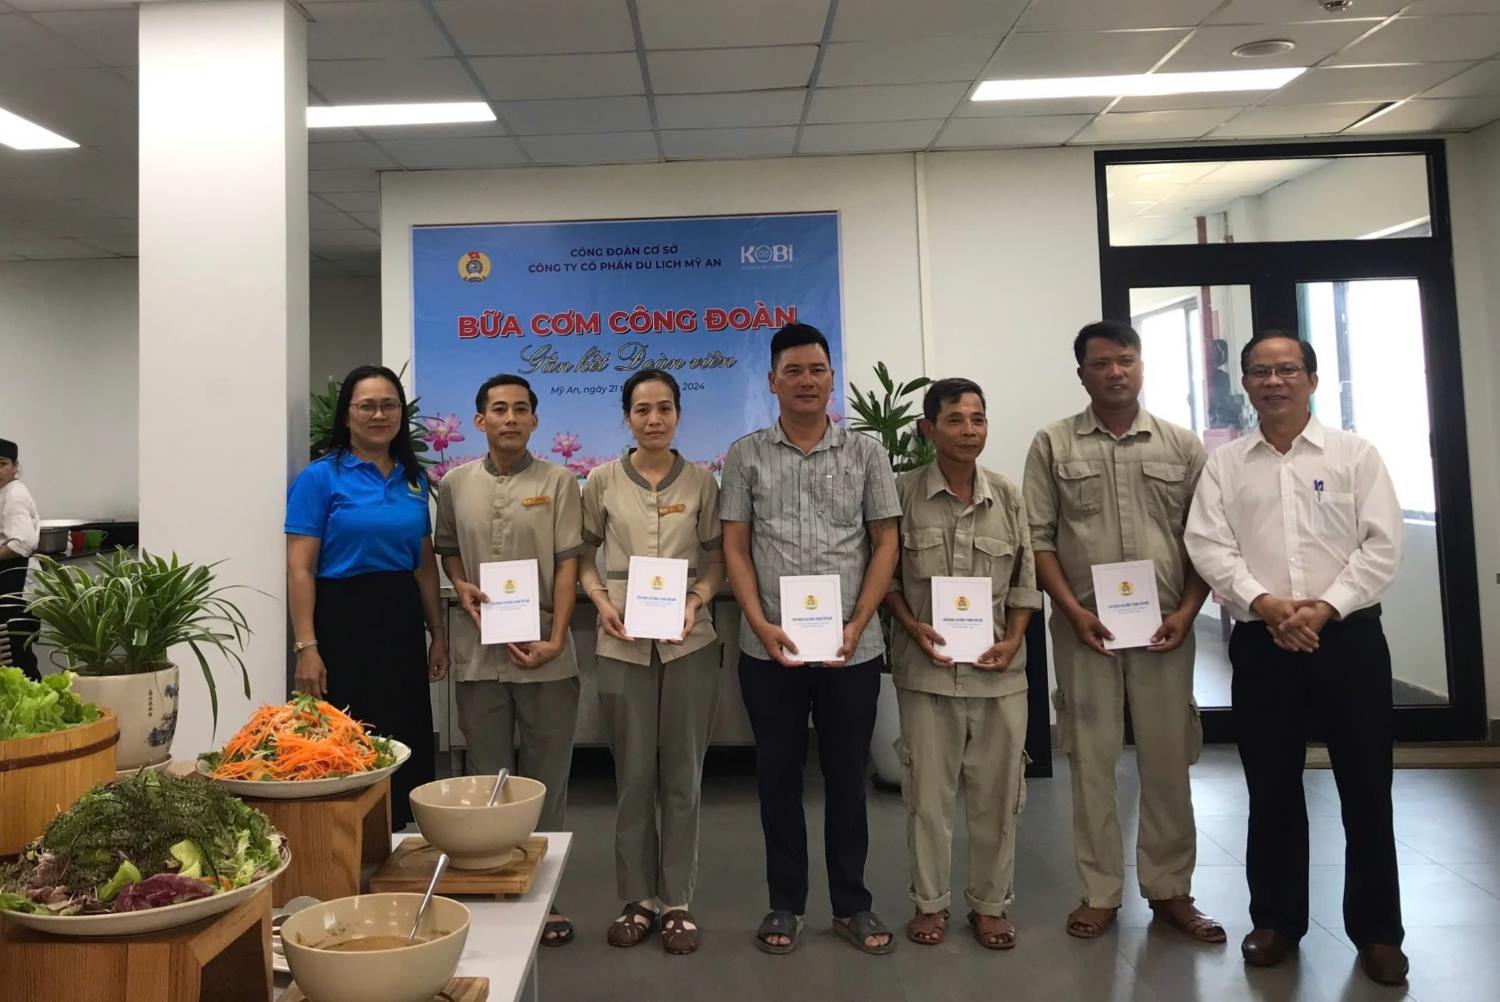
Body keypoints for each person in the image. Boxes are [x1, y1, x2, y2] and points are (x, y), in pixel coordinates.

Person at [1184, 333, 1407, 985]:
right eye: (1260, 372)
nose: (1273, 381)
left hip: (1349, 640)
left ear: (1312, 379)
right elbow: (1209, 544)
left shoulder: (1354, 455)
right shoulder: (1227, 466)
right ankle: (1277, 920)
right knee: (1272, 786)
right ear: (1247, 384)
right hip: (1264, 641)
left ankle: (1379, 932)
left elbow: (1381, 546)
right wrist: (1268, 604)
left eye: (1286, 370)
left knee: (1366, 786)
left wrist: (1325, 607)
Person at [1022, 321, 1223, 943]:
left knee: (1168, 760)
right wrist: (1072, 611)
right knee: (1092, 760)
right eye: (1102, 363)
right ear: (1081, 373)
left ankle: (1171, 890)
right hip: (1087, 631)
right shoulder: (1053, 444)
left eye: (1126, 360)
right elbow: (1038, 538)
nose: (1116, 372)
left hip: (1166, 628)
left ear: (1141, 366)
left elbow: (1207, 543)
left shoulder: (1182, 446)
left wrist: (1188, 612)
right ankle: (1100, 892)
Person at [720, 322, 902, 956]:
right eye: (792, 370)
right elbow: (735, 548)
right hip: (768, 648)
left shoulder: (866, 454)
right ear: (772, 380)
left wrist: (857, 624)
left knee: (848, 777)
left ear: (831, 377)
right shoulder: (745, 455)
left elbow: (885, 542)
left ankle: (853, 903)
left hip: (852, 648)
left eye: (816, 369)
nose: (805, 380)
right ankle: (785, 904)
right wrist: (760, 620)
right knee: (777, 777)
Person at [884, 379, 1041, 951]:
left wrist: (1013, 638)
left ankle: (990, 905)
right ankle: (930, 903)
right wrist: (911, 624)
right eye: (955, 420)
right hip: (926, 671)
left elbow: (1026, 584)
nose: (968, 430)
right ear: (927, 429)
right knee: (928, 796)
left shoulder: (1008, 495)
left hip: (1000, 674)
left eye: (978, 419)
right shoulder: (900, 493)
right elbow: (889, 580)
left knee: (999, 797)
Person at [579, 368, 724, 956]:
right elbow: (582, 556)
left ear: (679, 414)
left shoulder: (703, 484)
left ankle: (678, 903)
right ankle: (636, 899)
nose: (654, 419)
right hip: (623, 641)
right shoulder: (601, 481)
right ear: (627, 417)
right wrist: (598, 601)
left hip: (689, 642)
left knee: (683, 776)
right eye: (642, 410)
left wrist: (696, 600)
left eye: (664, 408)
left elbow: (717, 560)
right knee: (634, 776)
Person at [435, 373, 582, 948]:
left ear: (535, 420)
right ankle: (490, 889)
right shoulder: (453, 483)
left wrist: (558, 634)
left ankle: (544, 899)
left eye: (522, 409)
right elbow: (447, 550)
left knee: (547, 783)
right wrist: (460, 584)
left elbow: (569, 563)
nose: (511, 418)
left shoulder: (560, 480)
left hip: (547, 652)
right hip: (479, 653)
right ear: (480, 420)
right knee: (486, 781)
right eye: (499, 409)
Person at [285, 366, 447, 830]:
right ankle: (352, 851)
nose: (379, 414)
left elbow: (423, 566)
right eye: (367, 406)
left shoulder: (412, 480)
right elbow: (300, 567)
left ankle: (397, 843)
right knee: (349, 739)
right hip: (341, 620)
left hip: (399, 618)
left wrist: (437, 634)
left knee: (405, 733)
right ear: (347, 414)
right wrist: (307, 647)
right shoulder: (320, 478)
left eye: (389, 405)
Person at [0, 439, 40, 679]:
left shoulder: (15, 494)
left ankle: (37, 711)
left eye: (2, 464)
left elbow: (23, 543)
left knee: (18, 656)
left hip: (17, 580)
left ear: (15, 466)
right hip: (8, 580)